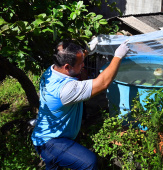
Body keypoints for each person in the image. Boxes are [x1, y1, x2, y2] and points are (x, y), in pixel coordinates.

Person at [31, 39, 129, 169]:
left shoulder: (51, 72)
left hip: (53, 133)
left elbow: (69, 59)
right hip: (51, 142)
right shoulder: (66, 90)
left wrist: (86, 52)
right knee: (89, 162)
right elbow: (103, 83)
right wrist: (118, 56)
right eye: (81, 63)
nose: (83, 65)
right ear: (67, 67)